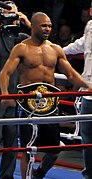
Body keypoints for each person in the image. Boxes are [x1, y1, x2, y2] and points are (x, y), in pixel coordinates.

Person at [0, 12, 92, 179]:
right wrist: (5, 94)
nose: (47, 28)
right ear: (33, 27)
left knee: (55, 150)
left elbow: (70, 74)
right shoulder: (21, 48)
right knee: (28, 149)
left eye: (49, 25)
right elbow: (5, 73)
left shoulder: (55, 49)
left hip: (50, 105)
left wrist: (89, 86)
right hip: (28, 105)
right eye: (43, 25)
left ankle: (38, 174)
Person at [0, 1, 30, 179]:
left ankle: (7, 177)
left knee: (11, 141)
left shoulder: (19, 37)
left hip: (13, 95)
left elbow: (45, 44)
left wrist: (28, 23)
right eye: (7, 13)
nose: (11, 17)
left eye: (13, 13)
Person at [63, 19, 92, 179]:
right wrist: (59, 51)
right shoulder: (90, 25)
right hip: (88, 92)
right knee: (87, 137)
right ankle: (89, 174)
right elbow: (82, 44)